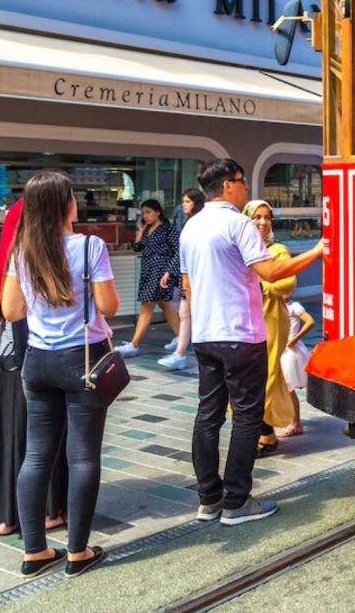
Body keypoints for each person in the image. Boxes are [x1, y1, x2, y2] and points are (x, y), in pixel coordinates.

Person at [180, 159, 322, 526]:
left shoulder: (190, 227)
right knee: (246, 417)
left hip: (206, 335)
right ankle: (237, 500)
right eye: (242, 182)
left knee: (207, 415)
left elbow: (188, 286)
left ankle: (208, 498)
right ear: (229, 185)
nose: (246, 188)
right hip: (241, 334)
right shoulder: (237, 223)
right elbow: (271, 271)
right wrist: (317, 250)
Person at [2, 171, 119, 578]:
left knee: (37, 455)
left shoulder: (22, 250)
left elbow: (11, 311)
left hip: (38, 361)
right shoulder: (90, 246)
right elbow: (108, 306)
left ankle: (34, 551)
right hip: (82, 359)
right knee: (83, 454)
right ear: (66, 204)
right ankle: (77, 551)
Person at [0, 200, 67, 537]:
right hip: (42, 350)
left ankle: (10, 513)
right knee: (47, 430)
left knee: (12, 428)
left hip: (11, 354)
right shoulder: (53, 253)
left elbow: (7, 309)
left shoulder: (15, 254)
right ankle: (50, 509)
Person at [243, 200, 298, 455]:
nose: (263, 222)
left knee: (266, 377)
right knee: (246, 378)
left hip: (271, 320)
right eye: (257, 217)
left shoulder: (278, 251)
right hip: (243, 321)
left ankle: (262, 433)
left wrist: (263, 287)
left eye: (267, 217)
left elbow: (288, 283)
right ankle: (261, 431)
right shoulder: (239, 249)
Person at [116, 199, 180, 358]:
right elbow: (137, 247)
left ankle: (134, 344)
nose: (146, 216)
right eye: (143, 213)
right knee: (165, 305)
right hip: (148, 269)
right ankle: (181, 337)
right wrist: (140, 229)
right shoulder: (147, 229)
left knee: (146, 306)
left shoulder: (168, 229)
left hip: (160, 271)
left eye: (149, 212)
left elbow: (179, 250)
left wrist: (170, 271)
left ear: (158, 212)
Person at [158, 188, 205, 371]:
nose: (183, 205)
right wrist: (170, 271)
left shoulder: (197, 223)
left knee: (187, 313)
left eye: (187, 201)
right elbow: (181, 251)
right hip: (189, 274)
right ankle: (180, 353)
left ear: (196, 203)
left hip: (196, 274)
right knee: (185, 313)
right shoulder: (190, 222)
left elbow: (184, 250)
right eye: (183, 201)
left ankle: (182, 353)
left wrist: (170, 271)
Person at [279, 300, 315, 437]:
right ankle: (290, 420)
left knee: (288, 387)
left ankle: (295, 423)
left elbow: (310, 322)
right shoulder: (276, 304)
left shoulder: (294, 306)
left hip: (289, 350)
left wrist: (294, 338)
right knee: (284, 387)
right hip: (280, 348)